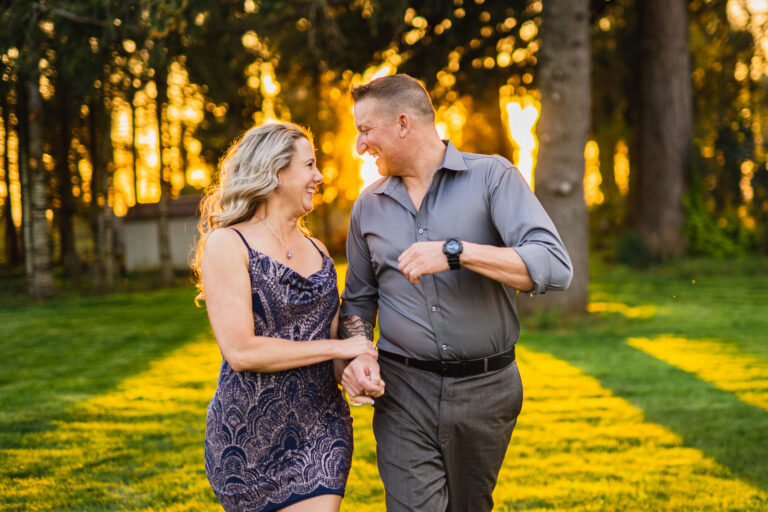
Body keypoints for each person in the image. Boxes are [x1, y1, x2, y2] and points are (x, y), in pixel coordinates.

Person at [337, 74, 573, 512]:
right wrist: (358, 353)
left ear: (403, 124)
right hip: (403, 390)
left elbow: (553, 265)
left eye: (366, 130)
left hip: (487, 389)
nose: (360, 145)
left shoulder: (493, 177)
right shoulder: (367, 206)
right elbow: (359, 300)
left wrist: (457, 252)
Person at [192, 122, 380, 512]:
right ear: (275, 172)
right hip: (247, 440)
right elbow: (241, 352)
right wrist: (339, 347)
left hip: (321, 429)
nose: (319, 176)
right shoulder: (228, 244)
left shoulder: (319, 251)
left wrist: (357, 369)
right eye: (309, 165)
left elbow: (333, 345)